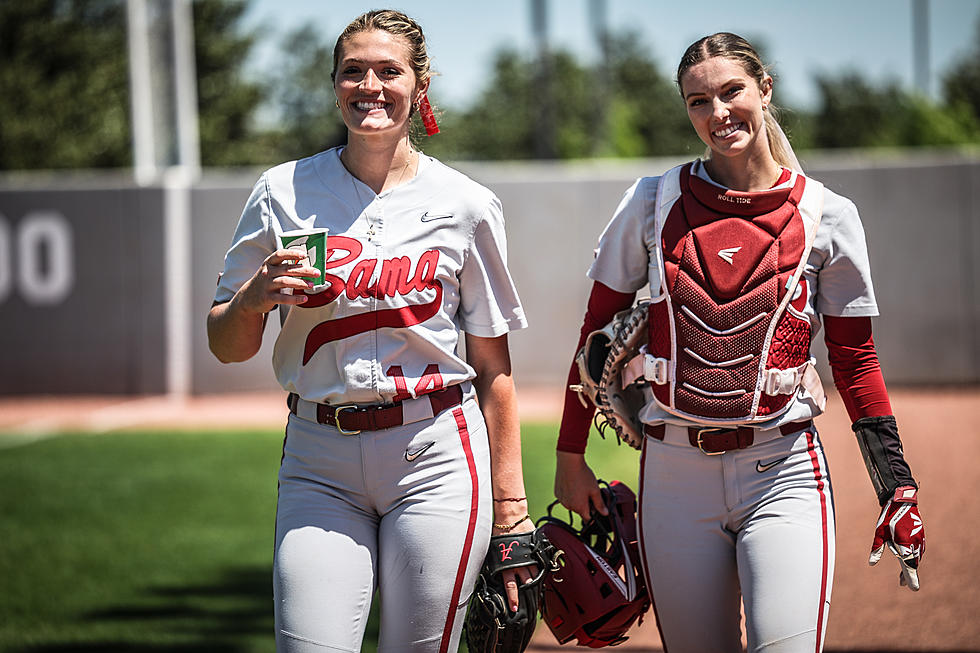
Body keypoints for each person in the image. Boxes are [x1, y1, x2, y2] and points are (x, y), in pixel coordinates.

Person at [553, 32, 926, 653]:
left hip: (781, 470)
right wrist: (570, 455)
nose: (718, 113)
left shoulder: (828, 215)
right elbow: (592, 335)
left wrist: (897, 483)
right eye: (699, 102)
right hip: (674, 472)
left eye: (732, 92)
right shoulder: (651, 202)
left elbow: (856, 360)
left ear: (765, 89)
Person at [207, 10, 535, 651]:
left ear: (420, 84)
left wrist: (511, 511)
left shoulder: (466, 203)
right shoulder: (283, 190)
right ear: (334, 85)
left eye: (390, 71)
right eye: (353, 72)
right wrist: (250, 300)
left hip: (435, 452)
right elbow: (227, 344)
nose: (370, 86)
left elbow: (494, 367)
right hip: (317, 455)